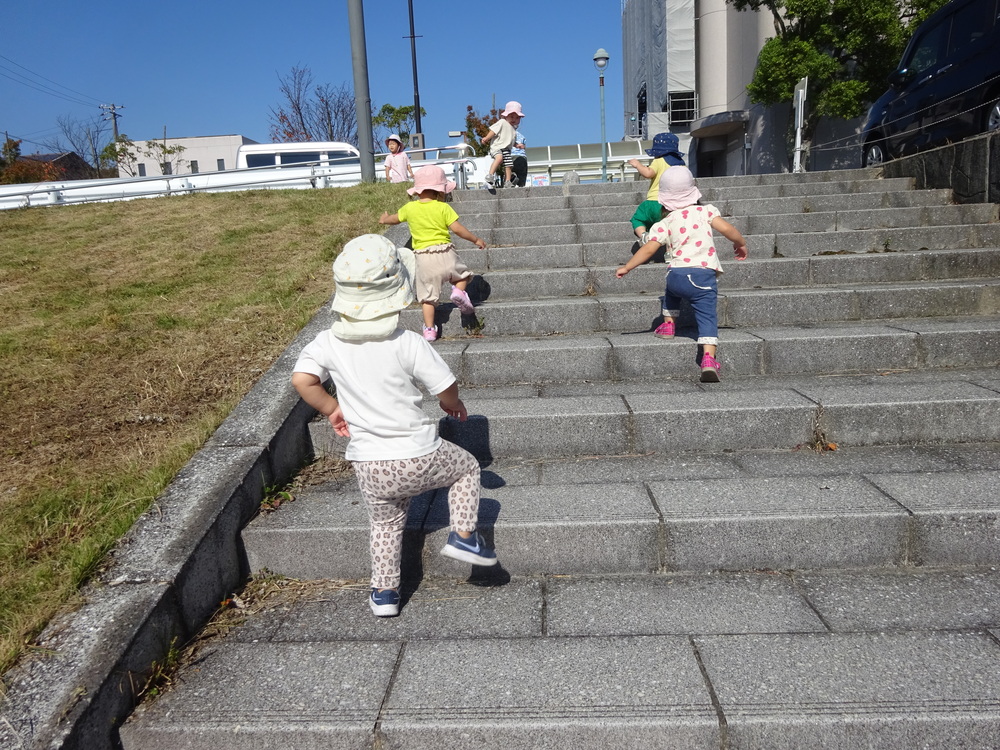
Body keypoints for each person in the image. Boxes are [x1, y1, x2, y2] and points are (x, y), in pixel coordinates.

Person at [291, 234, 499, 618]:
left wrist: (332, 408)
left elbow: (302, 380)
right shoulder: (407, 342)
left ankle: (384, 594)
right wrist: (452, 405)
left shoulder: (326, 343)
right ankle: (464, 535)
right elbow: (445, 386)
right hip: (420, 454)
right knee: (468, 467)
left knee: (385, 525)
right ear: (397, 291)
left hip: (370, 464)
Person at [615, 166, 748, 383]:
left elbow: (648, 249)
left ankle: (668, 324)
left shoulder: (665, 222)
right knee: (707, 317)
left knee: (671, 291)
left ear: (664, 199)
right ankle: (707, 359)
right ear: (693, 192)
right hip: (702, 276)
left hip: (676, 275)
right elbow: (727, 229)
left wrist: (627, 267)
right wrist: (740, 243)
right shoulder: (706, 212)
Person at [379, 165, 486, 341]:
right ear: (440, 190)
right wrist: (475, 240)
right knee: (462, 277)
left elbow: (394, 219)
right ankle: (459, 293)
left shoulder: (410, 208)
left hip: (424, 258)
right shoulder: (443, 208)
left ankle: (429, 330)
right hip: (446, 253)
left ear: (417, 190)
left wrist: (384, 219)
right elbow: (458, 229)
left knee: (427, 298)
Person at [628, 132, 685, 245]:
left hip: (654, 202)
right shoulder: (682, 165)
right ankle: (670, 248)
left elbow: (648, 173)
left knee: (638, 219)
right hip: (674, 205)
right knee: (670, 227)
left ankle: (644, 235)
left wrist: (638, 165)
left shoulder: (658, 161)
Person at [481, 101, 524, 188]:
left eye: (517, 118)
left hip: (506, 149)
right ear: (505, 116)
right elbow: (493, 131)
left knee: (509, 165)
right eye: (511, 117)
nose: (514, 119)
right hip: (497, 147)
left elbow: (511, 141)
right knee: (499, 158)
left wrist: (517, 145)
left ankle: (507, 181)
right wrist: (487, 138)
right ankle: (490, 175)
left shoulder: (514, 130)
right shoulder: (502, 122)